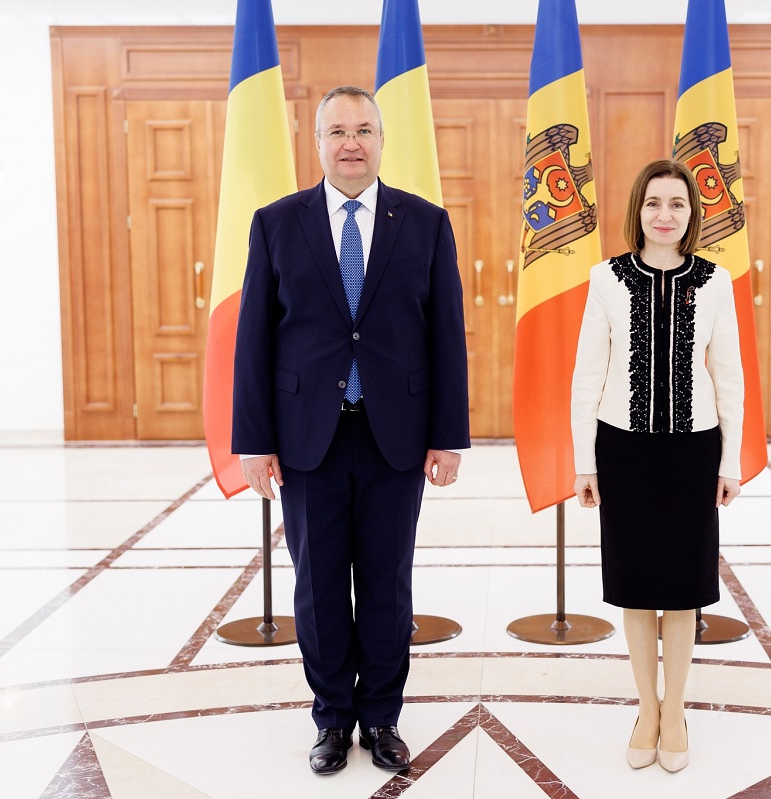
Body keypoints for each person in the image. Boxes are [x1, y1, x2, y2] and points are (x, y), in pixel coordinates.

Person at [231, 86, 470, 775]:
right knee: (319, 585)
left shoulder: (424, 223)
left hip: (396, 437)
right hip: (309, 439)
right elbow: (254, 342)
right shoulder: (277, 224)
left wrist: (447, 433)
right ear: (318, 142)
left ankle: (383, 718)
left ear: (382, 138)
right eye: (338, 130)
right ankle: (333, 718)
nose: (352, 142)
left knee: (389, 585)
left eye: (364, 129)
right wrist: (255, 440)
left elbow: (446, 338)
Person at [570, 158, 744, 773]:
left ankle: (678, 710)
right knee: (637, 589)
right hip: (624, 452)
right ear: (637, 212)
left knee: (683, 591)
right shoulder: (606, 279)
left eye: (676, 203)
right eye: (653, 204)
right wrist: (583, 463)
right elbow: (587, 376)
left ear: (692, 212)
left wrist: (731, 461)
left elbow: (729, 377)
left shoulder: (717, 280)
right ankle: (648, 708)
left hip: (693, 453)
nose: (664, 215)